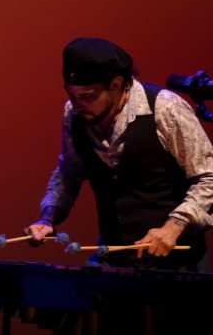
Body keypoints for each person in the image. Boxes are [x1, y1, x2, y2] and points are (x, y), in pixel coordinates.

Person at [25, 37, 213, 334]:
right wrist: (48, 216)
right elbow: (70, 172)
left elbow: (209, 176)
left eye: (87, 96)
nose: (77, 105)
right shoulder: (74, 114)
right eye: (71, 96)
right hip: (115, 264)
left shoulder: (165, 108)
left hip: (177, 269)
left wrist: (174, 225)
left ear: (116, 84)